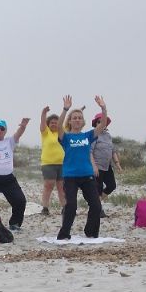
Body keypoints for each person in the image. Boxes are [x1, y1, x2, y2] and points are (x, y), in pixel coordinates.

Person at [56, 95, 108, 240]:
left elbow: (102, 124)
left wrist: (103, 108)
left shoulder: (87, 136)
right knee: (71, 206)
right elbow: (59, 126)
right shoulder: (65, 137)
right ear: (70, 121)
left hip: (87, 176)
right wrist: (65, 109)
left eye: (80, 117)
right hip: (70, 176)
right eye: (75, 118)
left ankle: (90, 232)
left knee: (96, 206)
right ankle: (64, 233)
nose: (77, 119)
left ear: (83, 121)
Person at [90, 113, 121, 217]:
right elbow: (90, 151)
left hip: (107, 166)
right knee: (97, 189)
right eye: (99, 122)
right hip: (97, 167)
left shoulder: (108, 136)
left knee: (112, 185)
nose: (101, 124)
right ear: (96, 123)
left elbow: (112, 150)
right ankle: (98, 209)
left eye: (103, 122)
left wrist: (117, 164)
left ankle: (95, 203)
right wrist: (93, 166)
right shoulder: (94, 135)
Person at [39, 106, 66, 215]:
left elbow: (67, 121)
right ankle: (45, 208)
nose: (54, 124)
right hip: (48, 163)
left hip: (62, 164)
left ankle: (65, 207)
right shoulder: (46, 133)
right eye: (52, 123)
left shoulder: (62, 133)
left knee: (62, 187)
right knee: (49, 185)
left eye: (56, 122)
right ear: (48, 124)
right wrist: (43, 113)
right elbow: (42, 125)